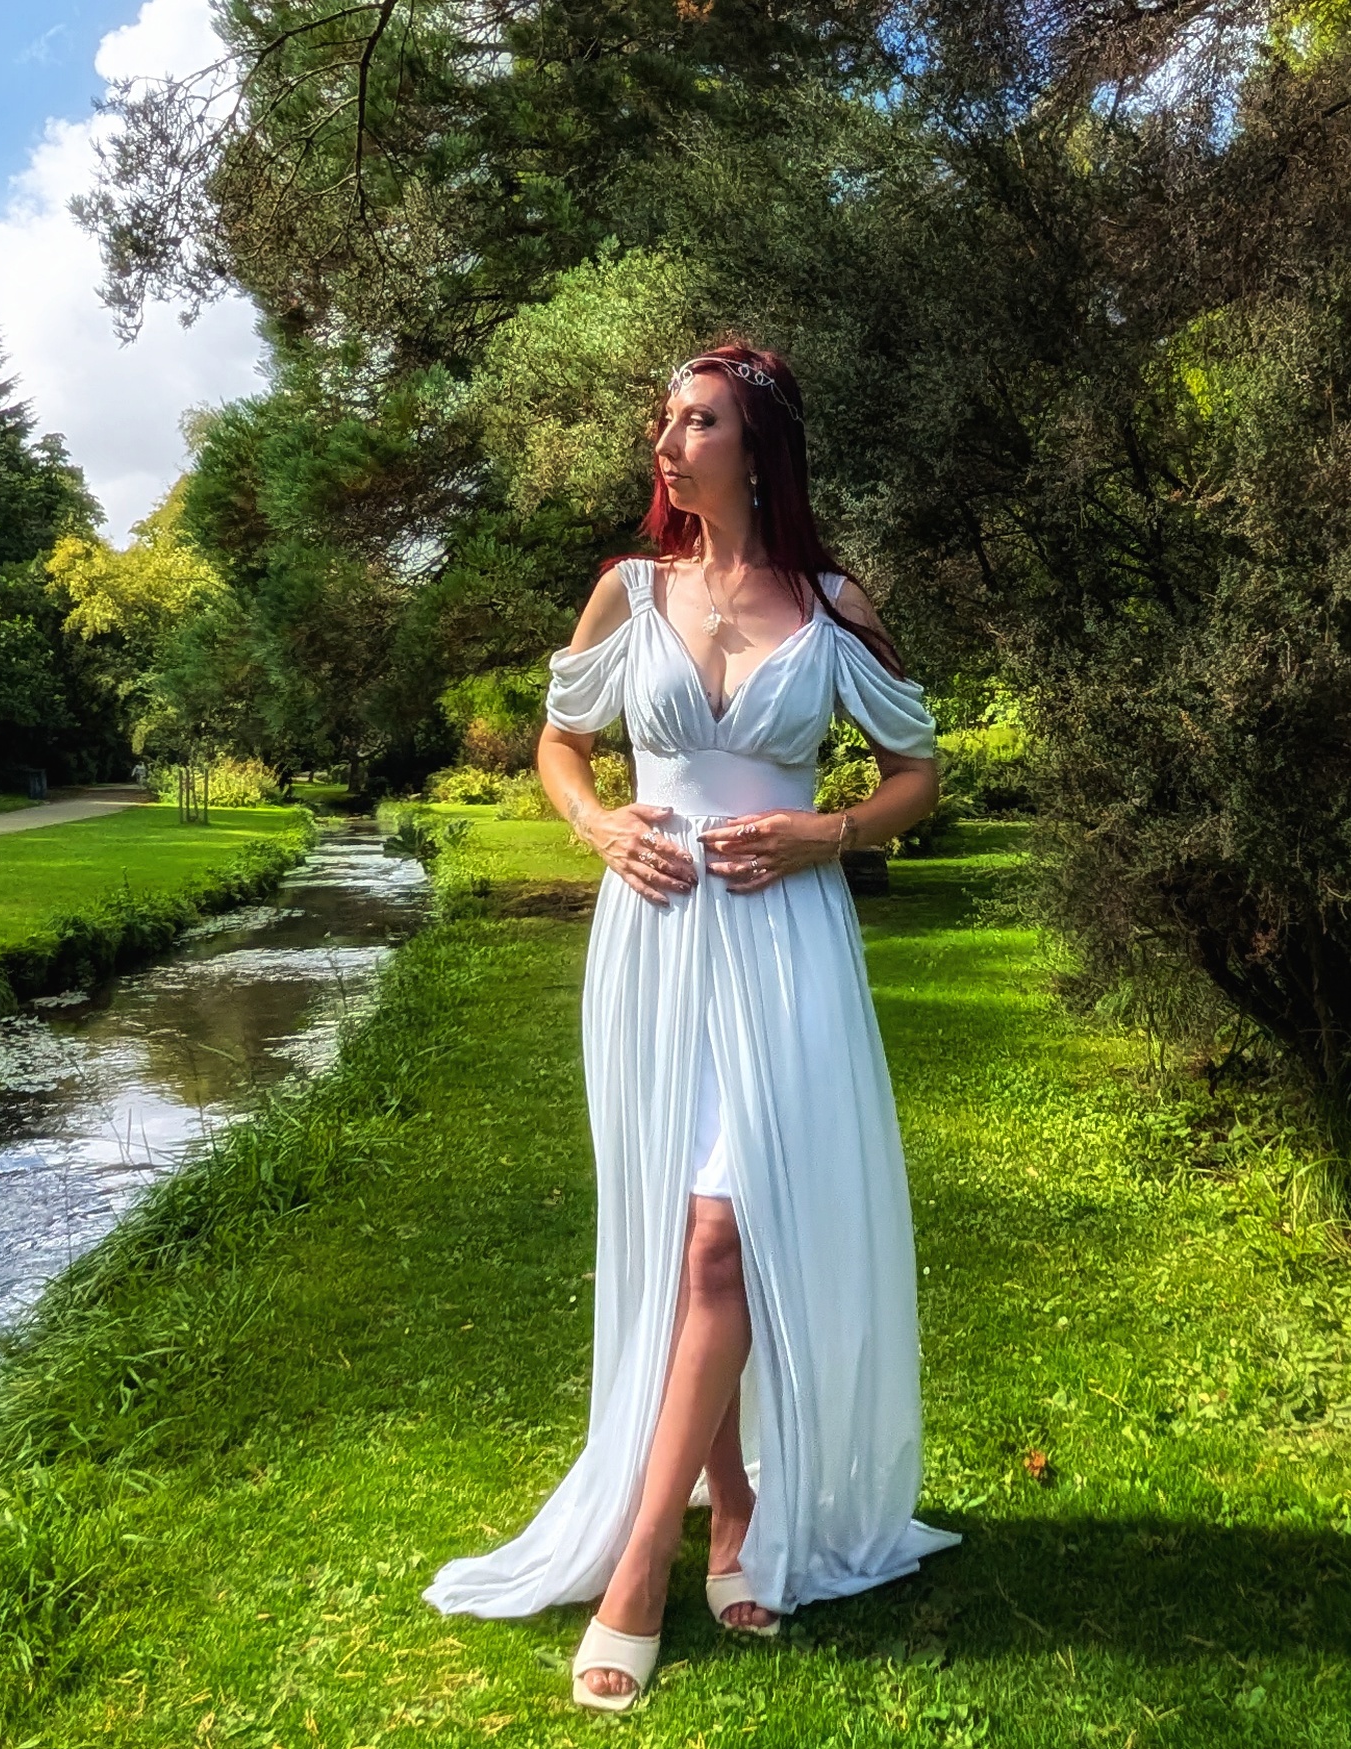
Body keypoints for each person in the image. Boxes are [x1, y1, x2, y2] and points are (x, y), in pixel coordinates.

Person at [420, 341, 961, 1711]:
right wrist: (599, 825)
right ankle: (732, 1511)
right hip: (654, 943)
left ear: (756, 447)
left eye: (695, 422)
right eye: (664, 421)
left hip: (785, 943)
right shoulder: (629, 589)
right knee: (683, 1237)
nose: (665, 444)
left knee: (726, 1231)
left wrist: (830, 830)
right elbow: (561, 743)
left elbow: (916, 772)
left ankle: (639, 1568)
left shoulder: (830, 605)